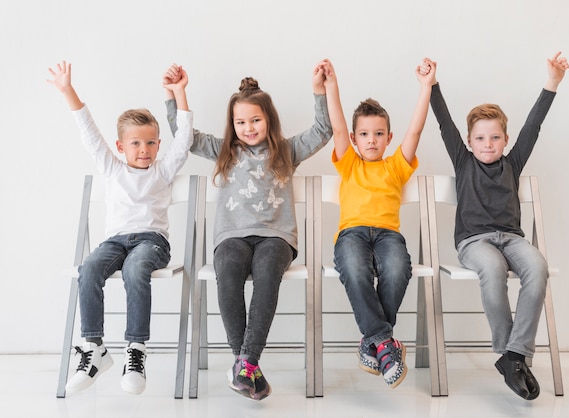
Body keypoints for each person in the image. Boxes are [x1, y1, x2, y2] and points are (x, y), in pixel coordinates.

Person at [163, 62, 333, 401]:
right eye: (240, 122)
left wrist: (319, 90)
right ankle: (246, 367)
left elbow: (323, 130)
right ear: (232, 124)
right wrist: (177, 94)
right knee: (227, 274)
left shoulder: (286, 150)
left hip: (276, 237)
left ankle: (247, 361)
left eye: (255, 120)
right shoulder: (224, 150)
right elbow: (184, 137)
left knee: (269, 273)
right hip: (231, 237)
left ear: (268, 118)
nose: (248, 127)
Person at [427, 52, 569, 400]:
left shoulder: (513, 162)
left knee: (537, 267)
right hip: (475, 242)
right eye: (479, 138)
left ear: (505, 140)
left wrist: (552, 82)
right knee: (492, 269)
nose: (487, 145)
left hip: (511, 239)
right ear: (470, 141)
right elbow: (444, 122)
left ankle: (515, 355)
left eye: (494, 138)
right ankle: (511, 354)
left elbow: (533, 125)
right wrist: (432, 85)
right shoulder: (463, 162)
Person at [47, 61, 193, 395]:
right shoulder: (111, 168)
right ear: (120, 146)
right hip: (114, 242)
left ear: (158, 144)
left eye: (152, 143)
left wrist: (180, 93)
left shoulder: (163, 170)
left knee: (135, 270)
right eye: (136, 144)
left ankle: (136, 349)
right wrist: (68, 90)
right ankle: (94, 348)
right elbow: (88, 131)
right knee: (89, 269)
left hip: (151, 242)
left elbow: (184, 140)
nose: (145, 150)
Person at [316, 58, 435, 388]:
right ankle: (385, 342)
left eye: (379, 134)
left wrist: (426, 87)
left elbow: (416, 130)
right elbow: (338, 127)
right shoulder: (349, 163)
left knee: (398, 269)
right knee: (354, 269)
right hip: (352, 234)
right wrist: (332, 86)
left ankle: (374, 342)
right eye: (365, 134)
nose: (371, 140)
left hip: (388, 236)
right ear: (355, 138)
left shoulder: (397, 166)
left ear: (388, 137)